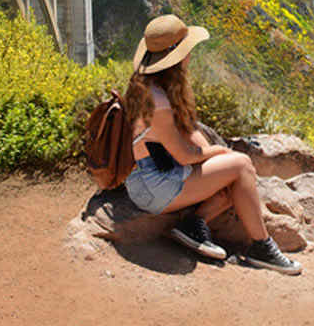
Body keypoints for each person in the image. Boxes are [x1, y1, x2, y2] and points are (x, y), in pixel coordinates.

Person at [123, 14, 302, 275]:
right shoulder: (157, 102)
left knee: (235, 178)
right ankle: (262, 247)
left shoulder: (151, 87)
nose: (189, 56)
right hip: (153, 186)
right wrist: (219, 153)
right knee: (241, 166)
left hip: (155, 177)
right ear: (176, 59)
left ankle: (194, 225)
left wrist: (217, 161)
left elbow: (187, 130)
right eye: (186, 51)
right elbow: (185, 156)